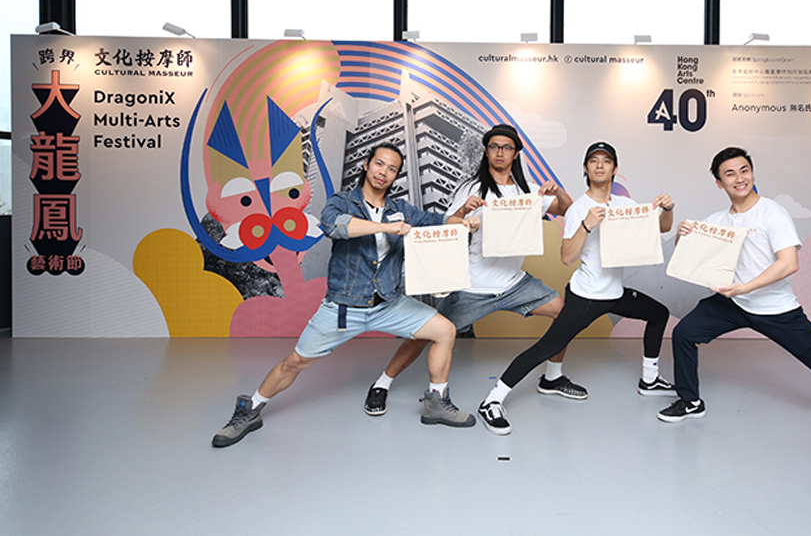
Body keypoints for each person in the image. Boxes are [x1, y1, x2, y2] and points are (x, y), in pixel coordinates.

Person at [212, 143, 480, 447]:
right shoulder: (342, 202)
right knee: (295, 362)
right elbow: (334, 226)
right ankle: (251, 409)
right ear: (366, 165)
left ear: (396, 176)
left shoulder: (401, 209)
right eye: (379, 164)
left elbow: (437, 221)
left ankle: (436, 402)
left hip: (389, 303)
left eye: (392, 168)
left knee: (444, 330)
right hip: (343, 307)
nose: (384, 172)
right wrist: (384, 227)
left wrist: (464, 220)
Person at [658, 146, 811, 445]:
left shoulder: (772, 212)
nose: (739, 178)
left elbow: (789, 263)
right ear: (719, 183)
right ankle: (691, 402)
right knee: (684, 333)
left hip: (775, 308)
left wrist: (744, 287)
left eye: (744, 170)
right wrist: (683, 235)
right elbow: (692, 255)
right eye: (730, 174)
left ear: (752, 173)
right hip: (733, 302)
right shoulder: (718, 220)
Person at [363, 124, 584, 417]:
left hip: (515, 284)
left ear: (516, 153)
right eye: (494, 146)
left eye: (506, 147)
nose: (500, 152)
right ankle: (383, 382)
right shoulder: (471, 188)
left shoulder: (528, 191)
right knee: (427, 333)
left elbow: (567, 210)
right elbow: (448, 225)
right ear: (486, 152)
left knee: (564, 314)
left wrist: (559, 192)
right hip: (473, 286)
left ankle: (552, 378)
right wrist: (465, 211)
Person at [478, 141, 676, 435]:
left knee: (658, 313)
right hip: (586, 297)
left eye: (606, 161)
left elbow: (661, 228)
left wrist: (668, 210)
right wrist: (587, 225)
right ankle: (492, 400)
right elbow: (567, 257)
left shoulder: (626, 206)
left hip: (615, 293)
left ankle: (650, 380)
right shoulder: (578, 209)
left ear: (615, 169)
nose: (600, 165)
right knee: (547, 347)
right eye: (593, 161)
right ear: (585, 168)